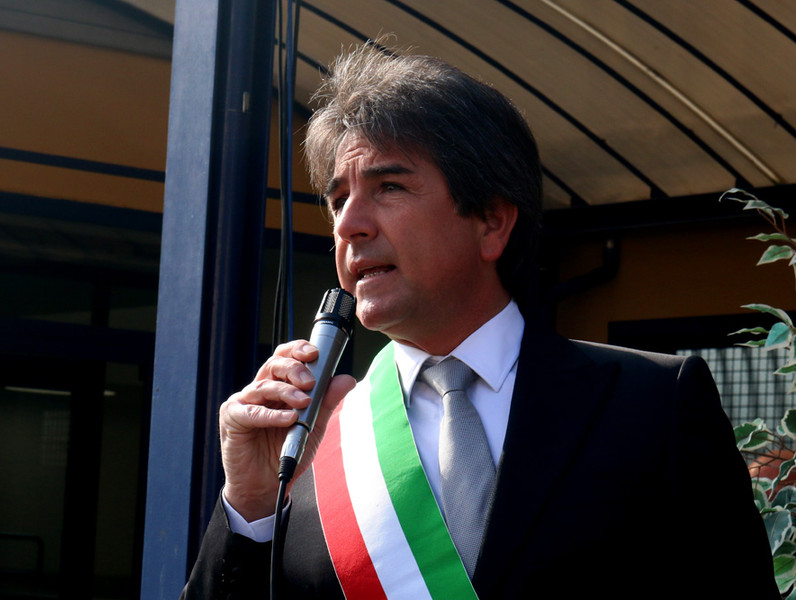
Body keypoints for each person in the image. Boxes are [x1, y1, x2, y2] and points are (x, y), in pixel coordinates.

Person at [181, 43, 777, 599]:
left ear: (491, 221)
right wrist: (250, 505)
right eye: (338, 201)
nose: (349, 225)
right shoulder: (312, 438)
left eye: (389, 187)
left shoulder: (652, 401)